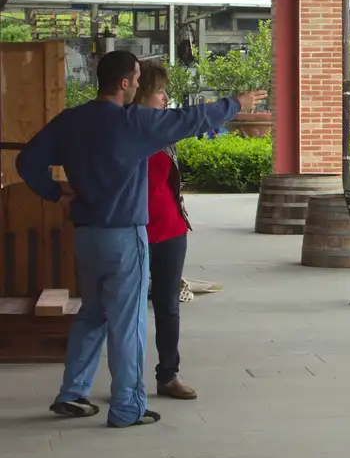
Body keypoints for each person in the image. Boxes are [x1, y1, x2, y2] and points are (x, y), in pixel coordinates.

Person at [16, 51, 264, 428]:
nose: (138, 84)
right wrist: (237, 104)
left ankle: (72, 393)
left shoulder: (72, 120)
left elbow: (27, 162)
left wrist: (57, 192)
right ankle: (128, 406)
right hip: (124, 235)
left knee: (92, 313)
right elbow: (190, 119)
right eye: (135, 78)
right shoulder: (132, 122)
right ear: (124, 83)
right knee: (127, 322)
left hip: (86, 235)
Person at [133, 61, 195, 403]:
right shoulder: (122, 129)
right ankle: (128, 380)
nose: (165, 97)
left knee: (168, 306)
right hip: (129, 229)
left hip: (170, 228)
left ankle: (168, 374)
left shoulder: (165, 130)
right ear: (140, 92)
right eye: (159, 91)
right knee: (128, 308)